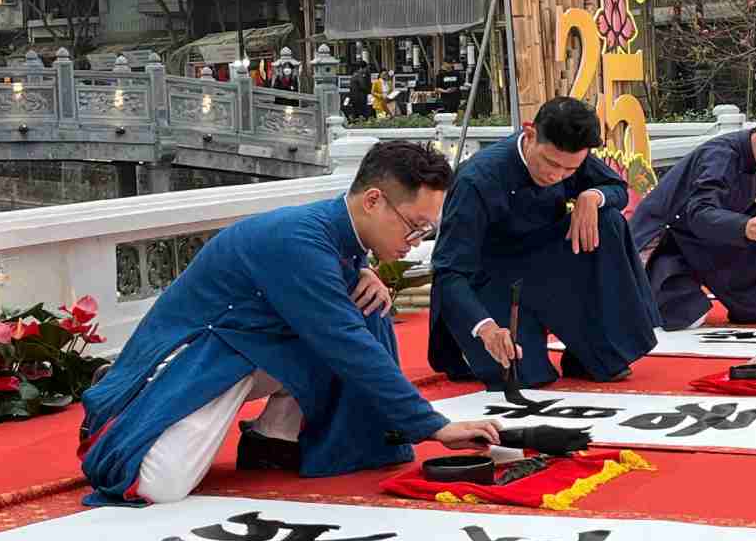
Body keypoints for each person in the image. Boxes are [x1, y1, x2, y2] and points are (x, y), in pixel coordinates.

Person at [77, 143, 502, 505]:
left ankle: (272, 437)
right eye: (414, 226)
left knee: (364, 305)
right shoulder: (298, 240)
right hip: (210, 349)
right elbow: (345, 343)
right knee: (155, 486)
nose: (415, 242)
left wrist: (358, 273)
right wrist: (434, 425)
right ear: (373, 200)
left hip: (255, 347)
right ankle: (125, 396)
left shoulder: (339, 237)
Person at [429, 97, 659, 387]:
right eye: (550, 163)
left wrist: (592, 196)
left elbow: (616, 188)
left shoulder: (571, 156)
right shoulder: (478, 179)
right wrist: (484, 327)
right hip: (488, 277)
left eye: (569, 171)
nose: (556, 175)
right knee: (523, 377)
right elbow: (449, 271)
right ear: (530, 134)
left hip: (539, 258)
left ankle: (593, 351)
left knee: (608, 220)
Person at [630, 102, 756, 330]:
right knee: (687, 318)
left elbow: (749, 176)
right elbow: (699, 212)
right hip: (667, 243)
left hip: (701, 239)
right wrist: (744, 227)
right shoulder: (720, 156)